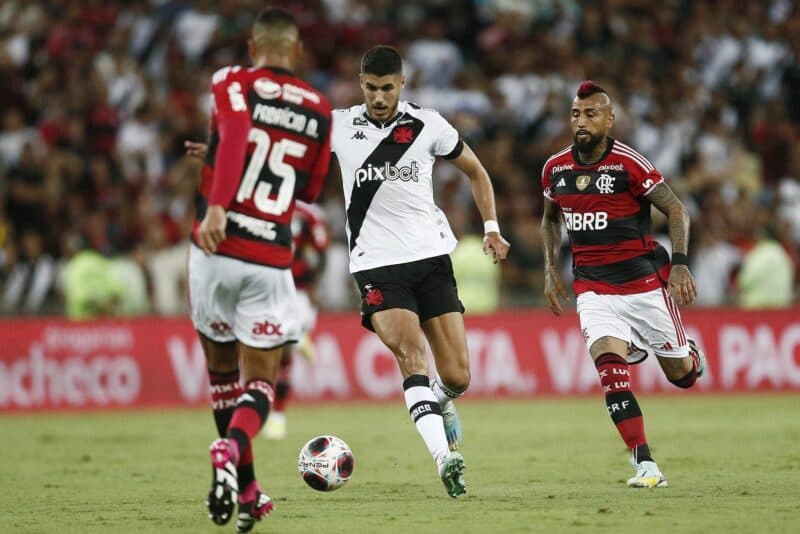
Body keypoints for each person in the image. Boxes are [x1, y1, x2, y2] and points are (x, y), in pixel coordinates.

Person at [330, 45, 510, 498]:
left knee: (457, 377)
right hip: (376, 265)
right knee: (411, 353)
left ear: (402, 85)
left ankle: (439, 401)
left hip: (431, 260)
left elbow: (477, 172)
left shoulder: (428, 125)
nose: (378, 97)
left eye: (387, 88)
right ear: (360, 83)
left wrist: (491, 228)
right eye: (370, 88)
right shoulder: (338, 126)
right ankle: (444, 458)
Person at [187, 8, 331, 532]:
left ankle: (247, 488)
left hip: (213, 247)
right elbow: (308, 192)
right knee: (262, 385)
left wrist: (221, 201)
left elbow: (237, 127)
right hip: (270, 257)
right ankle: (235, 463)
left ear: (253, 46)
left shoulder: (230, 80)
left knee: (222, 378)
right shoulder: (319, 107)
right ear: (294, 51)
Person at [540, 81, 707, 489]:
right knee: (610, 373)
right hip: (593, 289)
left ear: (610, 120)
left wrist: (681, 265)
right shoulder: (555, 169)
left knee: (682, 377)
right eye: (576, 114)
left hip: (644, 287)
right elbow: (550, 218)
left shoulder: (629, 164)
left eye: (591, 113)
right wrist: (550, 268)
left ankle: (688, 357)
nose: (581, 121)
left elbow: (676, 209)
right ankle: (645, 465)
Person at [262, 200, 330, 439]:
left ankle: (277, 416)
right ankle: (299, 337)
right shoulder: (262, 203)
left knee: (284, 351)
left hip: (298, 288)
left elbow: (321, 252)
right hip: (268, 286)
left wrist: (314, 284)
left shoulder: (307, 214)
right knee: (277, 349)